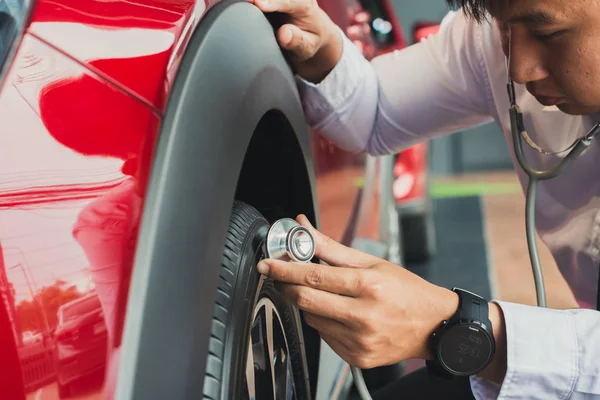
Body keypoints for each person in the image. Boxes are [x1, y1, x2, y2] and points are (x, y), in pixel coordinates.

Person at [248, 0, 600, 398]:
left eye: (547, 34)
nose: (519, 69)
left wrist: (464, 330)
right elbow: (376, 108)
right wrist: (320, 49)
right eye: (504, 28)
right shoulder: (497, 36)